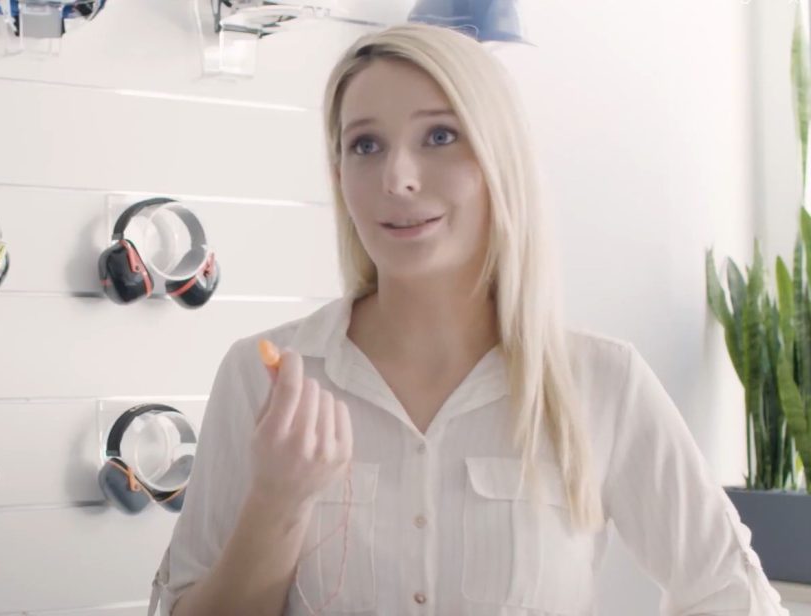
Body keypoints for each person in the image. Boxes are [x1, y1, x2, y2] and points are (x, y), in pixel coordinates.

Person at [147, 22, 789, 616]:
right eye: (365, 145)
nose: (397, 178)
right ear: (338, 173)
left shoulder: (603, 382)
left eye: (439, 136)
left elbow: (735, 597)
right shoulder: (263, 377)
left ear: (498, 159)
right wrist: (277, 502)